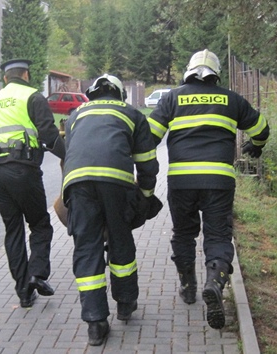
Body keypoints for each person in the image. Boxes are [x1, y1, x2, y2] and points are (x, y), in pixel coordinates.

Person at [148, 49, 270, 330]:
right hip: (219, 181)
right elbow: (261, 129)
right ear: (216, 74)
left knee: (184, 233)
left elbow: (149, 136)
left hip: (182, 181)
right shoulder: (232, 99)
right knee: (217, 234)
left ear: (188, 71)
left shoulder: (172, 97)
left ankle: (188, 287)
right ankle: (214, 283)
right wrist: (257, 146)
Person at [62, 74, 159, 346]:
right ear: (119, 93)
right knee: (120, 240)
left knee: (86, 247)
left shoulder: (75, 115)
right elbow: (147, 163)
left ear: (92, 93)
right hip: (117, 183)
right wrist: (145, 196)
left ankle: (95, 322)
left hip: (78, 184)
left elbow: (70, 155)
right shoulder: (132, 113)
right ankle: (126, 303)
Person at [0, 58, 66, 308]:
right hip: (22, 170)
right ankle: (37, 274)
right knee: (39, 223)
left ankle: (23, 293)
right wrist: (71, 156)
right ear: (26, 75)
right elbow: (50, 136)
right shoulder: (33, 97)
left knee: (13, 229)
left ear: (6, 79)